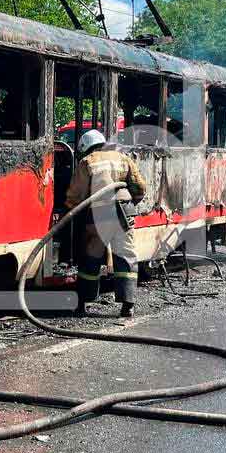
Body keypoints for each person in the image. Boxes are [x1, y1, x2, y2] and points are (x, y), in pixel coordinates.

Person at [65, 129, 148, 318]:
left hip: (99, 215)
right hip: (124, 214)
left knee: (91, 256)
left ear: (85, 148)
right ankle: (128, 305)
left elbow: (75, 196)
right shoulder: (122, 158)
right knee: (126, 255)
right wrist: (130, 204)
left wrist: (69, 209)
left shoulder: (87, 162)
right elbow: (140, 187)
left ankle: (83, 304)